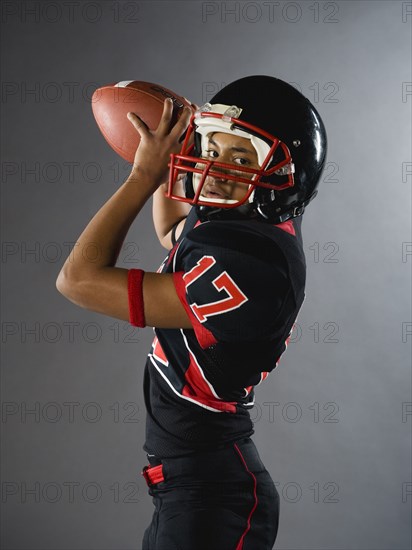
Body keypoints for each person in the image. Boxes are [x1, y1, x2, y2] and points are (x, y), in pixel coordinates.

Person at [56, 75, 327, 550]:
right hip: (188, 484)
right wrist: (177, 147)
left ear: (284, 173)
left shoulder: (256, 265)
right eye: (211, 149)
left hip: (215, 492)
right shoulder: (239, 214)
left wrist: (143, 175)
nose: (216, 169)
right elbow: (172, 232)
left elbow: (78, 280)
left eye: (239, 157)